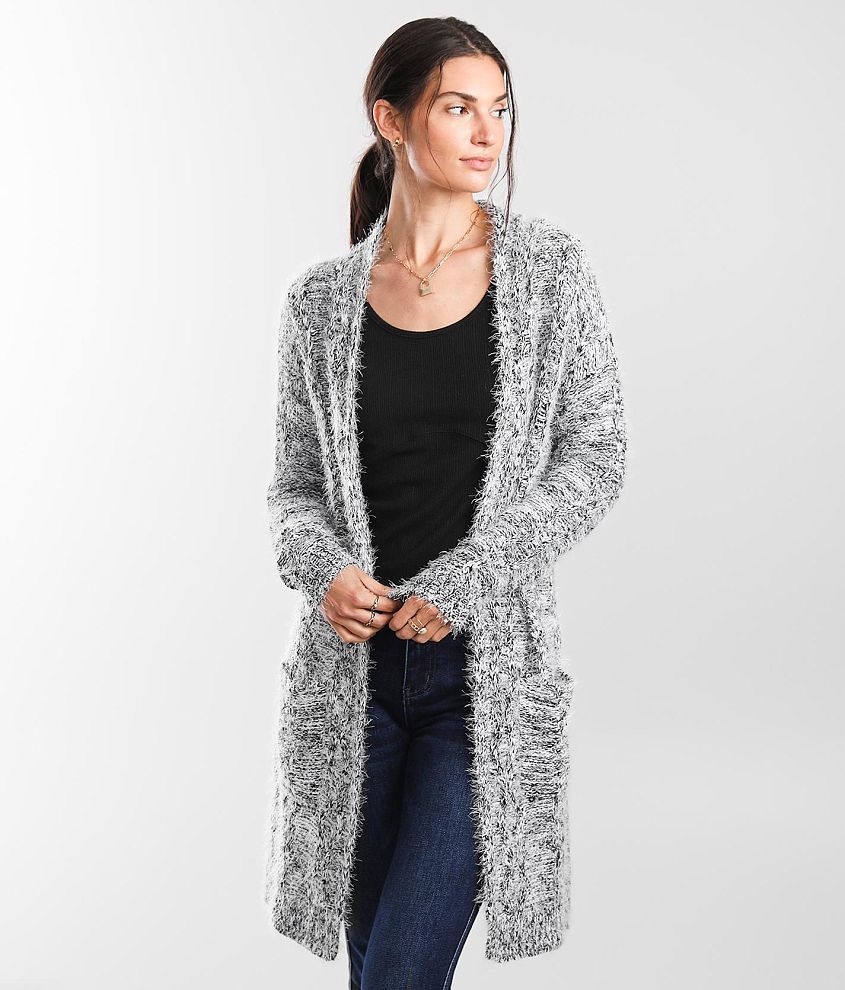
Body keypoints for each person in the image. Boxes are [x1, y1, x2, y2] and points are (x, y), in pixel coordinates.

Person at [264, 16, 627, 988]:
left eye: (498, 109)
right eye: (457, 107)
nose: (485, 132)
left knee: (399, 973)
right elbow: (293, 490)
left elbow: (595, 456)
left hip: (484, 682)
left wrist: (469, 578)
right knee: (376, 971)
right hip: (348, 689)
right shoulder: (319, 303)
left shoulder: (549, 274)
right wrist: (323, 568)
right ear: (390, 119)